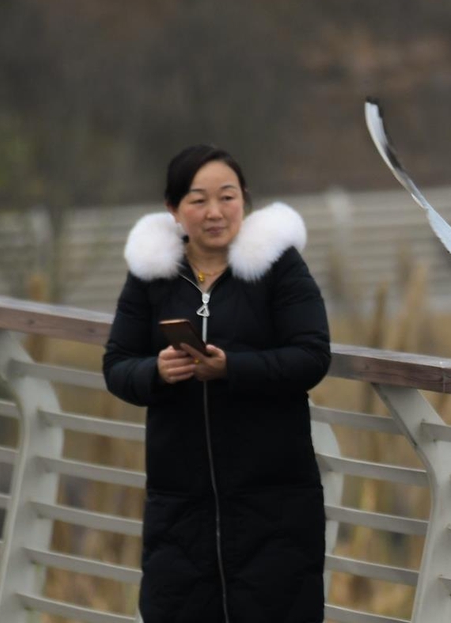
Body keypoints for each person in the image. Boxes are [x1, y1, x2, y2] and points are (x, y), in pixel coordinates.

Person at [102, 145, 331, 622]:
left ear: (244, 200)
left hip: (274, 503)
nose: (214, 213)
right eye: (197, 200)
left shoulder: (279, 267)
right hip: (180, 505)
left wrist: (232, 368)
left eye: (226, 197)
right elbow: (117, 365)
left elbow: (311, 356)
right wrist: (156, 372)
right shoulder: (152, 277)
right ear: (173, 210)